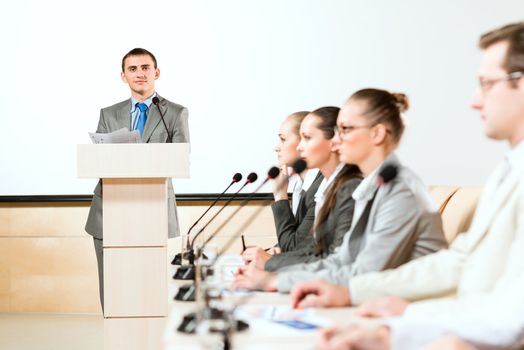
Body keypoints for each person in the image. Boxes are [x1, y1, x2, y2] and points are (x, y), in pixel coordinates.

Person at [293, 21, 524, 350]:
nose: (474, 100)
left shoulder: (401, 186)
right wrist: (363, 299)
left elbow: (509, 318)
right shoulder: (507, 169)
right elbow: (460, 263)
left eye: (486, 84)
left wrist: (398, 327)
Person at [235, 89, 447, 292]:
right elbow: (341, 259)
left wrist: (276, 280)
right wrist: (276, 278)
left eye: (345, 130)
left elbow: (363, 273)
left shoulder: (400, 191)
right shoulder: (373, 185)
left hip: (405, 310)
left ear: (377, 134)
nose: (336, 141)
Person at [85, 48, 190, 311]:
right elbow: (98, 160)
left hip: (151, 210)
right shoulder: (108, 114)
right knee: (112, 291)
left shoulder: (175, 113)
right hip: (110, 210)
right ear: (123, 76)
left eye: (145, 68)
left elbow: (181, 157)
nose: (140, 74)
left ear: (157, 72)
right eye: (133, 69)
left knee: (146, 291)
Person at [243, 107, 362, 272]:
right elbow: (312, 248)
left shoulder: (346, 188)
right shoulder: (327, 187)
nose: (300, 147)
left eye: (307, 138)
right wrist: (277, 256)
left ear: (333, 142)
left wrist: (272, 261)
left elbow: (330, 257)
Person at [241, 111, 323, 266]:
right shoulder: (301, 185)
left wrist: (280, 195)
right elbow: (296, 241)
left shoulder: (321, 188)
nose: (276, 148)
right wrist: (275, 250)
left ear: (303, 142)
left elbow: (294, 247)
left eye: (283, 140)